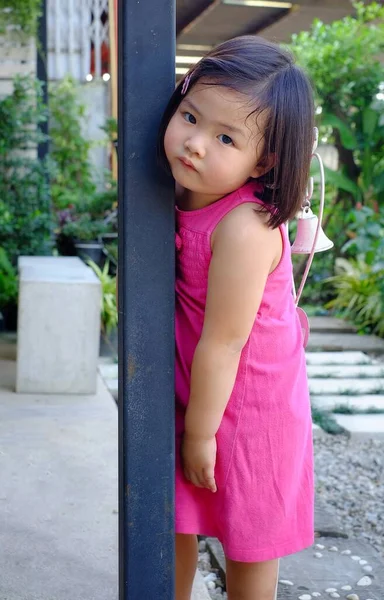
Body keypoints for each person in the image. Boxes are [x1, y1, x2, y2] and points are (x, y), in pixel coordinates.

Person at [157, 35, 315, 600]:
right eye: (190, 116)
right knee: (172, 513)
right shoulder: (176, 190)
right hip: (196, 387)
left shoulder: (245, 226)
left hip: (253, 408)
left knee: (249, 539)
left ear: (264, 160)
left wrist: (202, 433)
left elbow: (224, 343)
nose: (196, 144)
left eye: (226, 137)